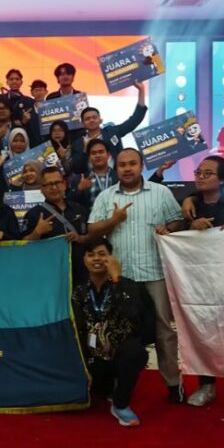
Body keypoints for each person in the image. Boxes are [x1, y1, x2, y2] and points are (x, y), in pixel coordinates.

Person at [89, 147, 186, 402]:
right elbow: (92, 231)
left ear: (141, 165)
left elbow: (177, 221)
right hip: (119, 278)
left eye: (132, 163)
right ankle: (117, 385)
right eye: (122, 165)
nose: (127, 168)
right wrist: (113, 220)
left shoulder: (161, 193)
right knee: (117, 332)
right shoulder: (106, 197)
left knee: (164, 330)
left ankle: (173, 384)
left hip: (155, 272)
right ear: (116, 168)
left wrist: (168, 228)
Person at [179, 156, 224, 412]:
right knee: (203, 335)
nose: (200, 176)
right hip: (200, 282)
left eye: (207, 173)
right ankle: (206, 386)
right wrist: (191, 224)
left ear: (222, 179)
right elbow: (177, 235)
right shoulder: (190, 204)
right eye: (198, 172)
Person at [72, 239, 155, 427]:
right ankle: (104, 387)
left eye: (102, 254)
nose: (96, 259)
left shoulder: (128, 286)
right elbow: (77, 327)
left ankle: (120, 404)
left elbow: (133, 317)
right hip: (92, 356)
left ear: (112, 258)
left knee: (136, 352)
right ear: (84, 260)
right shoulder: (80, 291)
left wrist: (116, 280)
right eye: (91, 255)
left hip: (118, 351)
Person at [71, 80, 148, 172]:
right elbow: (77, 168)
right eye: (87, 119)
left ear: (100, 120)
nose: (91, 120)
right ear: (82, 124)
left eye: (94, 117)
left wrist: (141, 90)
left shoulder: (112, 132)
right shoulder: (78, 143)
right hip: (91, 179)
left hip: (116, 178)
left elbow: (135, 120)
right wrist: (85, 150)